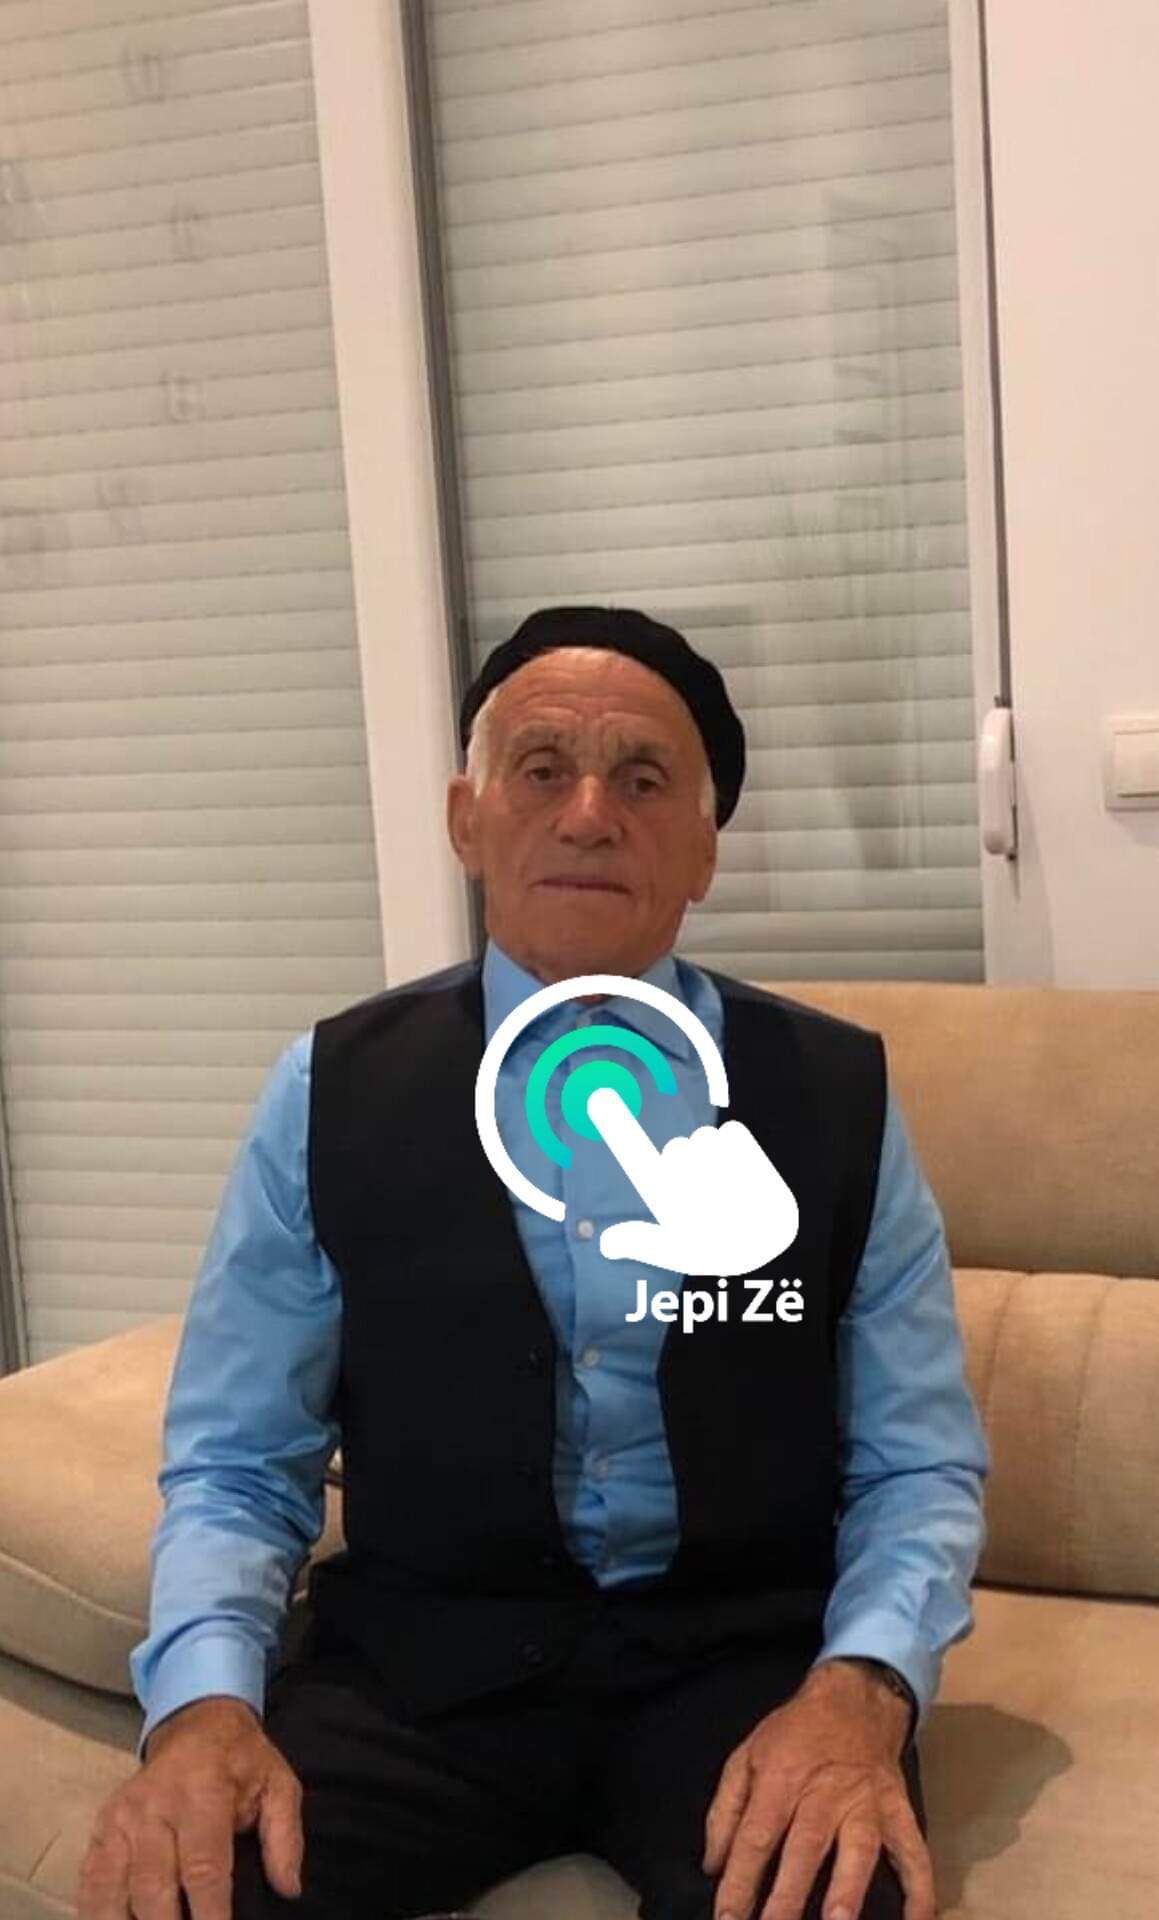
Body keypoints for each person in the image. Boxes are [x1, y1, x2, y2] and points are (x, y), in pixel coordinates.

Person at [76, 606, 989, 1920]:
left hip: (741, 1672)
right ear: (469, 820)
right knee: (193, 1893)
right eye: (543, 769)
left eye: (644, 780)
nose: (589, 816)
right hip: (421, 1668)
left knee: (835, 1898)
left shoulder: (833, 1098)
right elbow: (236, 1464)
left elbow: (919, 1466)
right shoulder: (331, 1092)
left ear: (705, 850)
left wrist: (862, 1692)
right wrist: (201, 1709)